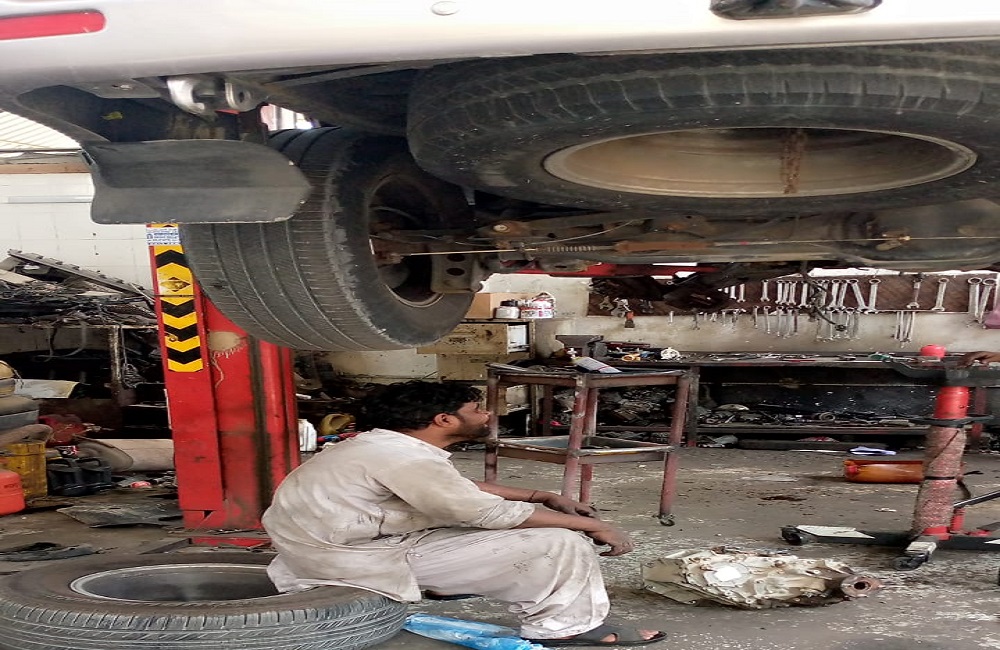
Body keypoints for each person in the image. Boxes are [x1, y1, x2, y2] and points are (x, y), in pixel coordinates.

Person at [261, 381, 665, 647]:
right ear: (444, 420)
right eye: (476, 408)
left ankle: (447, 583)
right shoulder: (402, 459)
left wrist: (540, 495)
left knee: (513, 529)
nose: (487, 415)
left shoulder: (381, 447)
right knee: (559, 542)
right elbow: (484, 511)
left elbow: (454, 489)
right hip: (352, 559)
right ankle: (568, 630)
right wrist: (592, 525)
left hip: (343, 546)